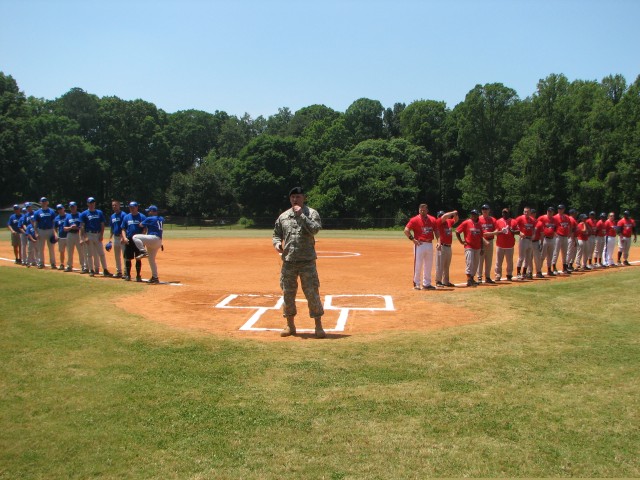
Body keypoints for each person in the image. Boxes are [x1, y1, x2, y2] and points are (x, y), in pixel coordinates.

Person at [272, 186, 326, 338]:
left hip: (307, 261)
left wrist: (302, 215)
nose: (295, 199)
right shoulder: (283, 217)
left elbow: (315, 229)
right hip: (289, 262)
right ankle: (290, 325)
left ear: (304, 198)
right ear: (290, 199)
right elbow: (276, 234)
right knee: (288, 294)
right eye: (293, 197)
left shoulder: (312, 213)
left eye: (298, 197)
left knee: (312, 293)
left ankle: (318, 326)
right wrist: (276, 244)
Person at [404, 203, 438, 290]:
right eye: (421, 210)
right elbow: (406, 230)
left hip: (429, 244)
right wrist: (413, 239)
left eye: (424, 210)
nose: (422, 211)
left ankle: (427, 284)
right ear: (419, 210)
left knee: (429, 265)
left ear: (427, 210)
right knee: (418, 264)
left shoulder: (432, 219)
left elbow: (436, 231)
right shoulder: (415, 219)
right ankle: (416, 283)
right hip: (420, 244)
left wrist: (439, 241)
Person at [80, 197, 112, 277]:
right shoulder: (84, 213)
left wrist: (101, 234)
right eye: (90, 203)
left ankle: (105, 269)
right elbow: (82, 226)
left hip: (97, 234)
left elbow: (102, 224)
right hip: (89, 234)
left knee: (101, 253)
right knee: (89, 254)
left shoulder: (99, 212)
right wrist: (84, 237)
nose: (92, 204)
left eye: (93, 203)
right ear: (87, 204)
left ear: (95, 203)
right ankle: (91, 270)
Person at [132, 205, 164, 284]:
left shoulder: (149, 218)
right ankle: (155, 277)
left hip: (153, 238)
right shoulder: (161, 218)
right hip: (159, 240)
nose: (148, 213)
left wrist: (143, 221)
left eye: (149, 211)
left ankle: (143, 251)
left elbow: (141, 225)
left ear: (153, 211)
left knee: (135, 237)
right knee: (151, 260)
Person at [456, 209, 483, 287]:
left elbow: (481, 237)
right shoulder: (466, 222)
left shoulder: (479, 224)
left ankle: (472, 279)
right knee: (469, 263)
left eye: (475, 214)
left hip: (477, 247)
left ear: (478, 215)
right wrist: (461, 241)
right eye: (472, 214)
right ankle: (469, 280)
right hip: (469, 246)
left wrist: (482, 248)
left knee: (475, 264)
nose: (473, 216)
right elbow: (457, 231)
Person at [120, 201, 146, 282]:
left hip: (138, 240)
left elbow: (145, 228)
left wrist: (141, 237)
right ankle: (128, 275)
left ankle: (138, 275)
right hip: (129, 240)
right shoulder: (126, 217)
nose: (132, 209)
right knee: (128, 258)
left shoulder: (142, 216)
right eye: (130, 207)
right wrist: (124, 238)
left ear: (137, 207)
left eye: (133, 207)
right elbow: (123, 229)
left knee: (138, 258)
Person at [490, 208, 518, 281]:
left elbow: (518, 231)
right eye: (503, 213)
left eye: (506, 213)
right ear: (502, 213)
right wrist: (500, 231)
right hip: (500, 244)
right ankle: (498, 275)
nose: (504, 214)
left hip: (510, 245)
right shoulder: (498, 221)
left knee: (509, 262)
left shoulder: (513, 221)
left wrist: (512, 231)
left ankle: (509, 274)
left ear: (509, 213)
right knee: (498, 261)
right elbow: (495, 231)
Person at [435, 209, 458, 287]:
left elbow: (456, 220)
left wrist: (455, 215)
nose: (442, 217)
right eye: (440, 216)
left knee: (446, 265)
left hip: (448, 246)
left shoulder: (448, 222)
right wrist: (453, 212)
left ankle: (446, 281)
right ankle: (438, 281)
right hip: (442, 246)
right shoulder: (438, 222)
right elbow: (445, 216)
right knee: (440, 265)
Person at [32, 197, 57, 269]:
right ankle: (41, 263)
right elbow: (35, 223)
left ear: (47, 202)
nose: (44, 202)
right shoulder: (37, 212)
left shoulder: (51, 211)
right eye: (42, 201)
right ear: (40, 203)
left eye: (45, 201)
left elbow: (53, 222)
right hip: (41, 231)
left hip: (50, 230)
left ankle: (53, 263)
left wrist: (54, 232)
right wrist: (36, 232)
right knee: (40, 248)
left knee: (51, 248)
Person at [477, 204, 498, 284]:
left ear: (489, 210)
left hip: (490, 241)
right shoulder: (478, 219)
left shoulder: (493, 219)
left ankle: (487, 277)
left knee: (489, 260)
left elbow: (497, 229)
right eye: (483, 209)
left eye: (486, 209)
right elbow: (477, 231)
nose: (484, 210)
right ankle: (479, 277)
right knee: (480, 260)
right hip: (481, 241)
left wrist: (490, 233)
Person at [63, 201, 85, 272]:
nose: (72, 208)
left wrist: (77, 228)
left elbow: (83, 226)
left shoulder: (80, 215)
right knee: (69, 251)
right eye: (71, 207)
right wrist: (70, 227)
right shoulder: (68, 216)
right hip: (70, 234)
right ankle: (69, 266)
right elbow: (64, 228)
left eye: (73, 206)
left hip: (78, 234)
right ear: (69, 208)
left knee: (81, 251)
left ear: (76, 207)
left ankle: (83, 266)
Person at [515, 206, 535, 280]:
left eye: (527, 211)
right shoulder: (520, 218)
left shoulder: (532, 220)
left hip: (530, 240)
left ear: (530, 212)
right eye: (525, 211)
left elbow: (533, 228)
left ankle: (524, 273)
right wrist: (519, 232)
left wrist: (534, 235)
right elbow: (514, 226)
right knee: (521, 257)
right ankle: (518, 273)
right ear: (523, 212)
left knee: (528, 258)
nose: (526, 213)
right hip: (523, 239)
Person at [537, 206, 557, 276]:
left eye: (551, 212)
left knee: (550, 256)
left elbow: (556, 227)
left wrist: (554, 233)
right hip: (545, 239)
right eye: (548, 211)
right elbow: (537, 225)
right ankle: (539, 271)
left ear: (553, 213)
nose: (549, 212)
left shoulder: (554, 219)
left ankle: (549, 270)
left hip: (552, 239)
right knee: (542, 256)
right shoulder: (542, 218)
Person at [552, 204, 572, 274]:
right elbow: (552, 226)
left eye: (561, 209)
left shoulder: (566, 217)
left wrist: (569, 233)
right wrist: (554, 233)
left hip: (565, 236)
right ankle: (554, 267)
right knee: (556, 252)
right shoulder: (555, 217)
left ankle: (564, 267)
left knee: (565, 253)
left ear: (564, 209)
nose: (560, 210)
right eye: (559, 209)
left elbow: (569, 225)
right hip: (558, 236)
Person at [108, 200, 126, 278]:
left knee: (125, 255)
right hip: (115, 237)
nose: (114, 207)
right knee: (117, 256)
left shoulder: (123, 215)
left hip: (122, 237)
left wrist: (123, 237)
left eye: (115, 205)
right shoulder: (112, 216)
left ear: (119, 205)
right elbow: (112, 228)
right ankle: (119, 272)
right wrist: (110, 239)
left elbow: (125, 227)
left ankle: (126, 272)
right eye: (113, 205)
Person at [529, 208, 545, 278]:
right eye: (532, 213)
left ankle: (538, 271)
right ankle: (529, 272)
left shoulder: (539, 223)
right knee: (529, 258)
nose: (533, 214)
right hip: (528, 242)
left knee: (537, 258)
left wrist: (541, 243)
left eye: (534, 213)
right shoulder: (527, 222)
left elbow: (542, 234)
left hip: (536, 242)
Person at [54, 204, 70, 270]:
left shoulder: (68, 216)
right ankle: (62, 264)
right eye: (58, 209)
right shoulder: (57, 218)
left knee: (69, 251)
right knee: (61, 251)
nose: (60, 210)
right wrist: (56, 235)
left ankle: (69, 264)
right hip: (61, 237)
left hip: (69, 236)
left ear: (64, 208)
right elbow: (54, 227)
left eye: (61, 208)